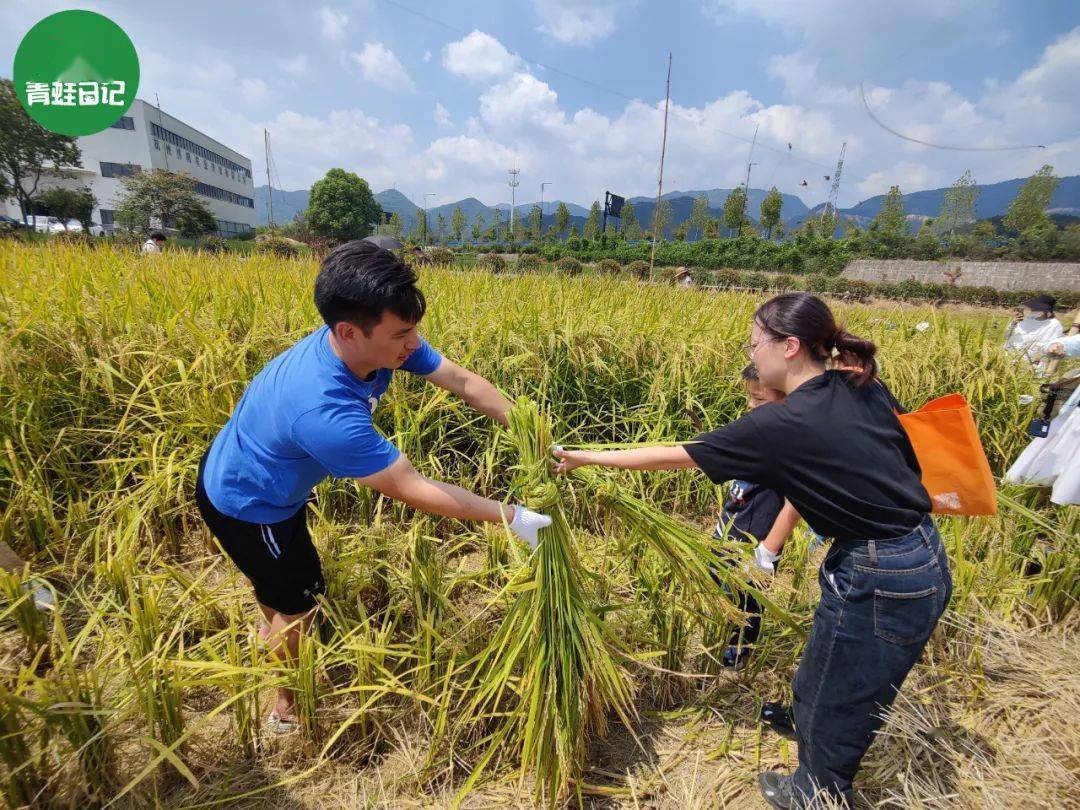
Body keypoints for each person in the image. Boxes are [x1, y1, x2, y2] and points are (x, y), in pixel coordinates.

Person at [554, 292, 952, 809]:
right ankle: (806, 723)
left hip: (881, 568)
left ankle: (818, 792)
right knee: (824, 662)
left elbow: (678, 455)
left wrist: (586, 457)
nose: (750, 353)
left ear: (789, 346)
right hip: (916, 547)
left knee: (844, 691)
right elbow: (897, 446)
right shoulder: (858, 382)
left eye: (754, 343)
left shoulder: (781, 423)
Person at [196, 240, 550, 733]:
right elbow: (410, 486)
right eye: (401, 334)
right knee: (301, 602)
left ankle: (271, 622)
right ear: (349, 331)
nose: (414, 343)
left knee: (280, 586)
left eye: (413, 329)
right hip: (250, 504)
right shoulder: (324, 410)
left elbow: (463, 382)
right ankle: (286, 707)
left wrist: (530, 430)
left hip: (260, 477)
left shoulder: (372, 340)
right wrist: (511, 517)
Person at [712, 364, 800, 669]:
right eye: (749, 397)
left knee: (748, 599)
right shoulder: (756, 433)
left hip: (756, 543)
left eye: (759, 399)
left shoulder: (789, 446)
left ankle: (740, 648)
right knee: (720, 586)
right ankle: (722, 633)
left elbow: (796, 501)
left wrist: (768, 551)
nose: (751, 405)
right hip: (728, 531)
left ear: (786, 400)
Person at [1005, 332, 1080, 505]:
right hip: (1075, 416)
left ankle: (1065, 506)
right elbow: (1070, 344)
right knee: (1050, 458)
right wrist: (1057, 346)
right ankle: (1034, 498)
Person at [1003, 294, 1064, 374]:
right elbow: (1006, 336)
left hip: (1030, 365)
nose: (1033, 310)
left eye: (1037, 308)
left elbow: (1051, 348)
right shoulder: (1026, 320)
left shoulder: (1054, 325)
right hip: (1010, 358)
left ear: (1046, 311)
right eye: (1034, 307)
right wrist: (1013, 323)